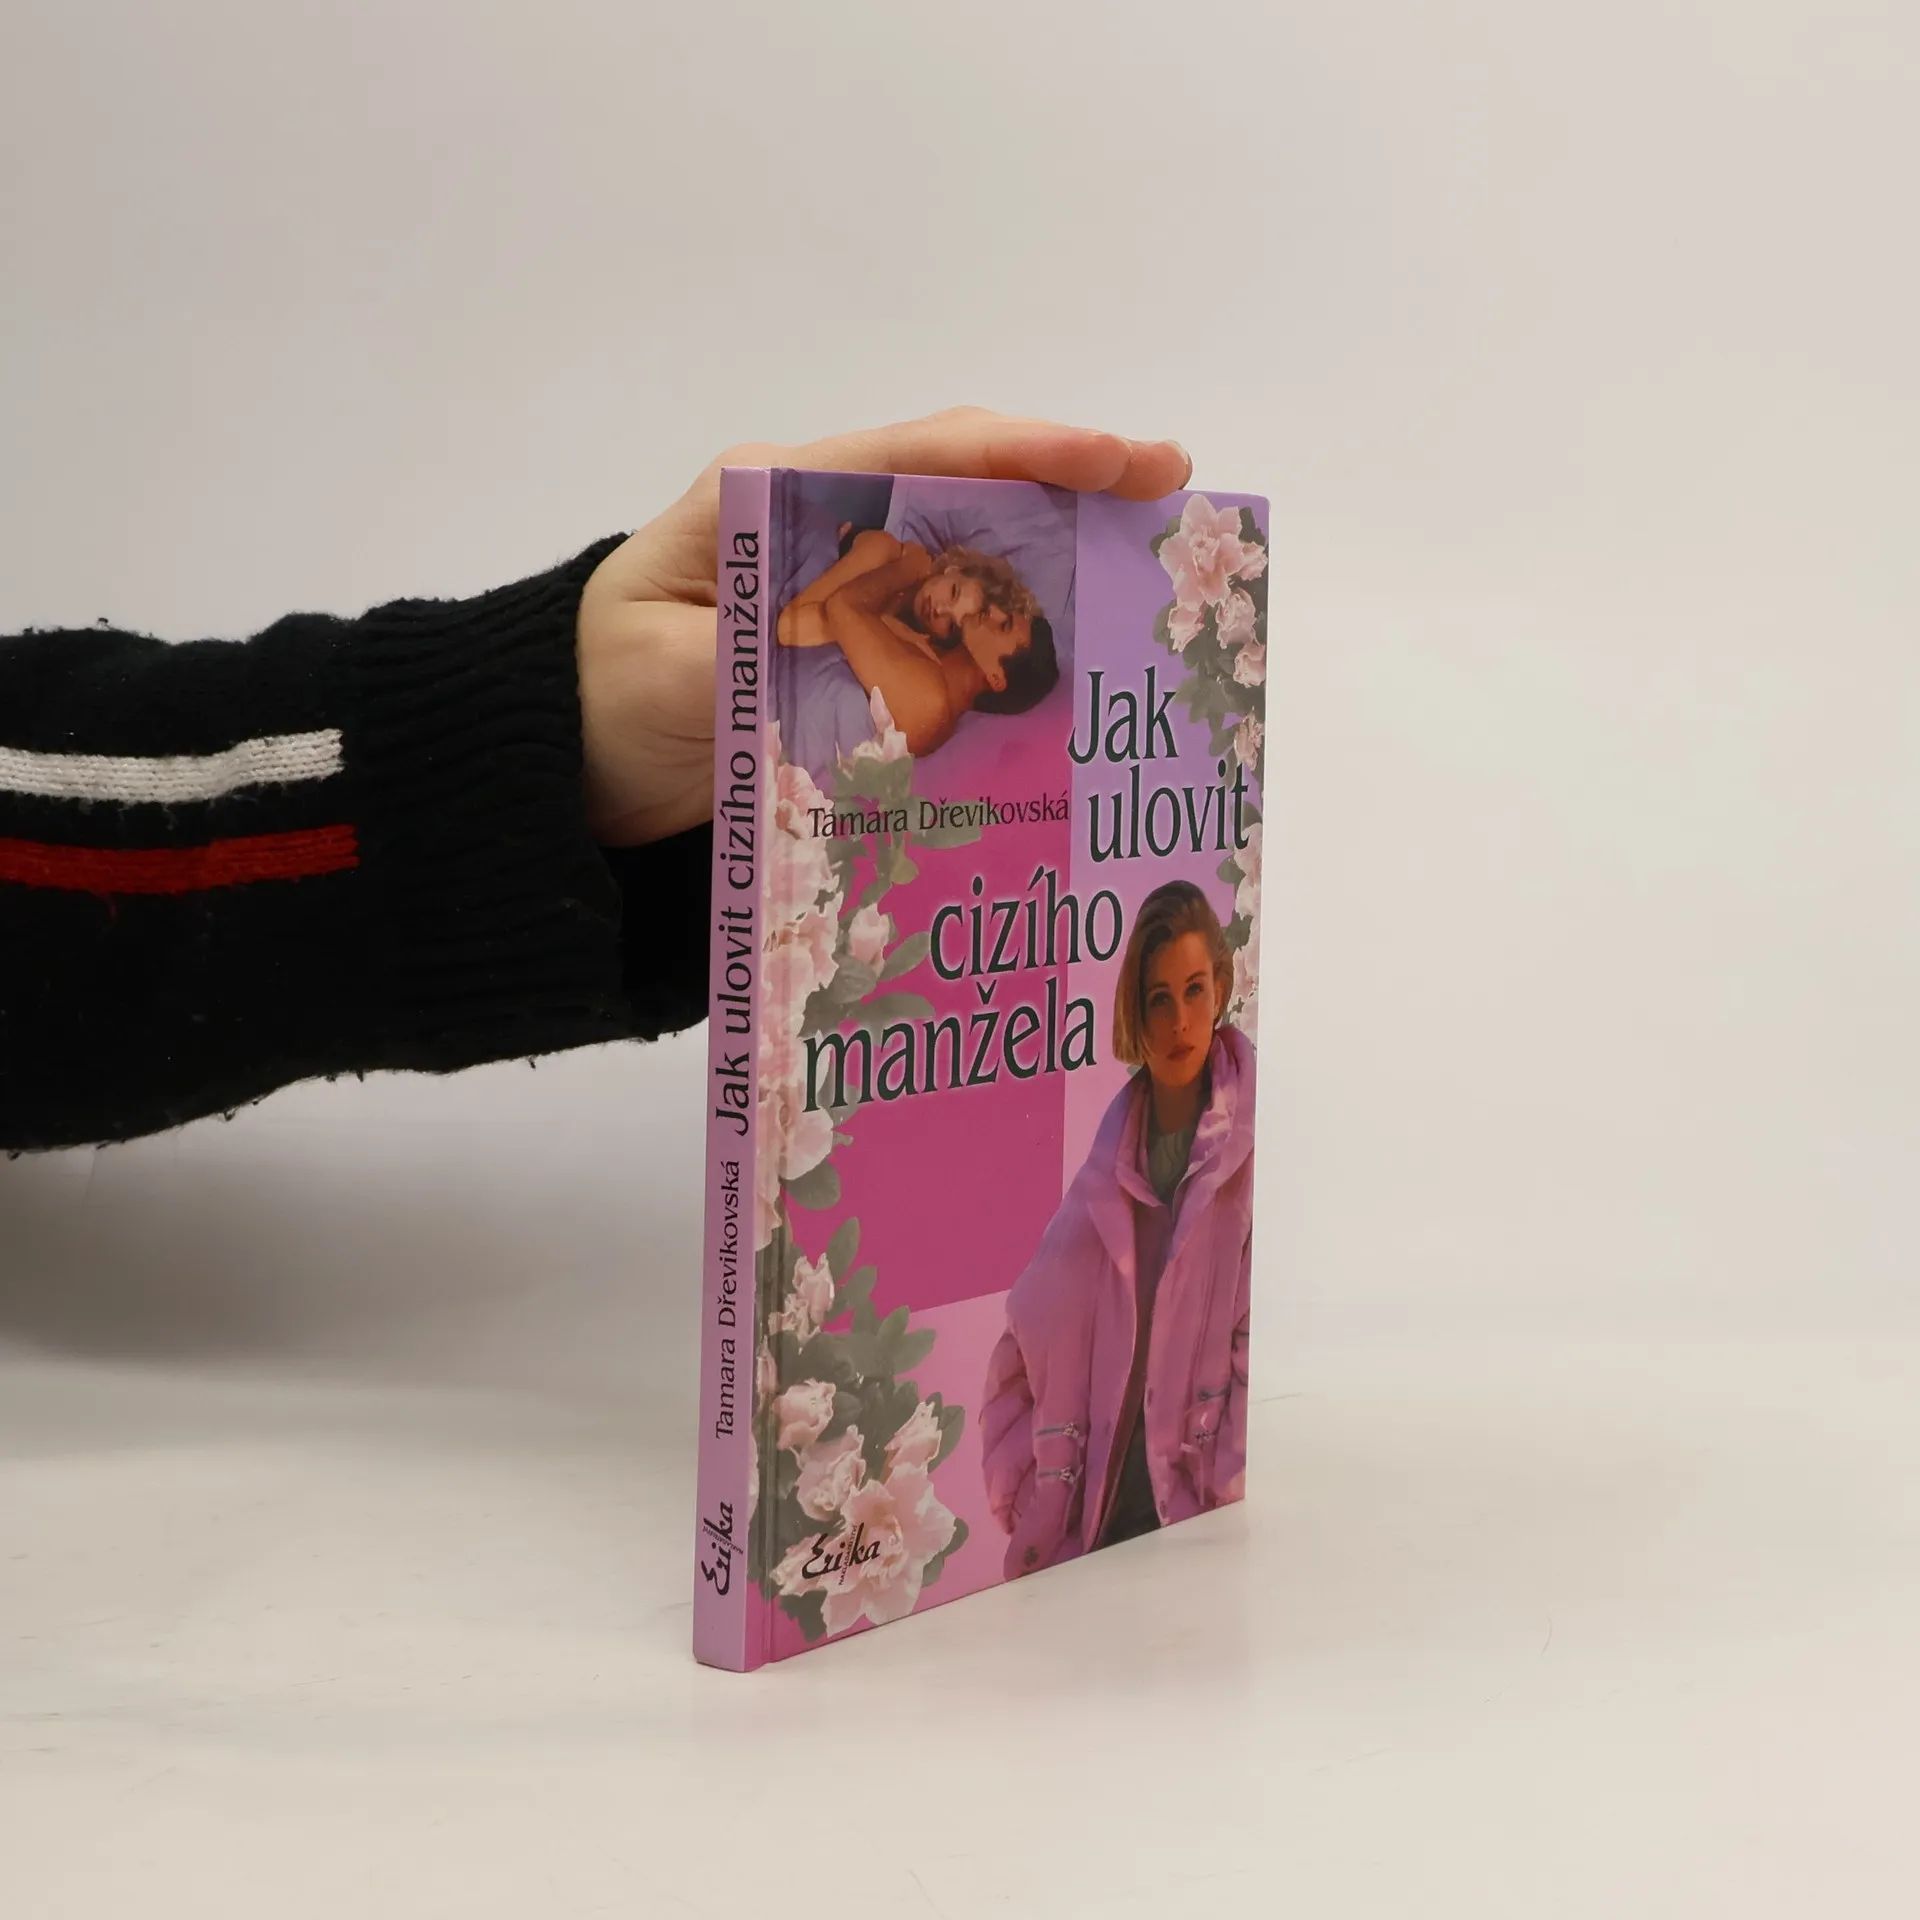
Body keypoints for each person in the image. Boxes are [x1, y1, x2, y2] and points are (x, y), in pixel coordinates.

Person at [0, 408, 1189, 1154]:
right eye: (981, 595)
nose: (969, 597)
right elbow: (804, 624)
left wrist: (863, 583)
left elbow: (813, 618)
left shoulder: (928, 697)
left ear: (994, 673)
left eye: (988, 616)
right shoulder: (916, 644)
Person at [979, 880, 1254, 1580]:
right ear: (1137, 1010)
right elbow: (1018, 1351)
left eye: (1194, 991)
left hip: (1200, 1543)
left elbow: (1259, 1349)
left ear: (1221, 988)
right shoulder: (1107, 1174)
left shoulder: (1247, 1160)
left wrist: (1221, 1492)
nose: (1180, 1021)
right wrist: (1042, 1498)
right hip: (1096, 1543)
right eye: (1159, 999)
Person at [775, 528, 1056, 768]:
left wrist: (909, 567)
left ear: (996, 677)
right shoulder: (930, 657)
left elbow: (841, 608)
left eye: (1004, 625)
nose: (994, 611)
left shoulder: (932, 706)